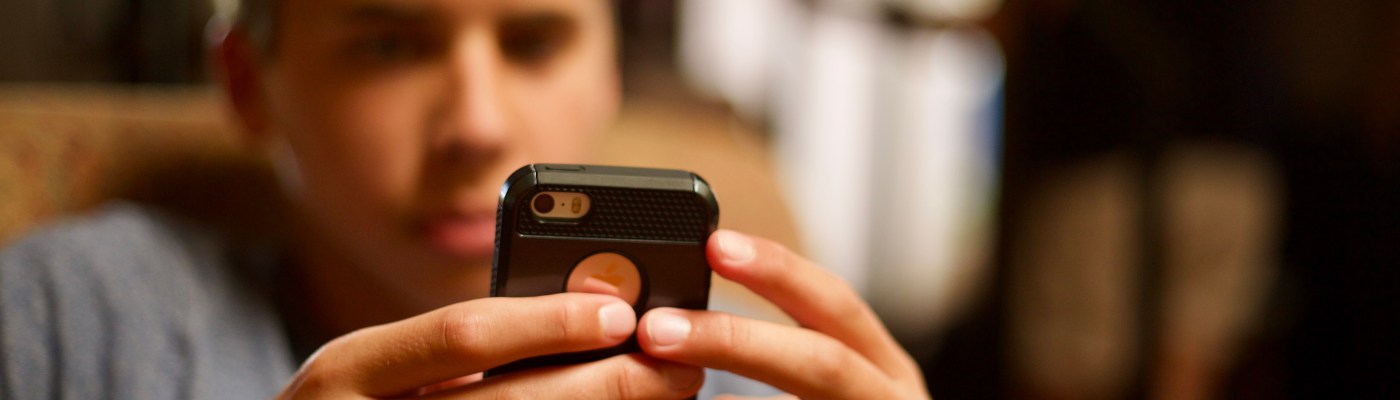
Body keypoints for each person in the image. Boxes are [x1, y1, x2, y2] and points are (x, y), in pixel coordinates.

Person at [0, 0, 928, 398]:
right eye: (388, 46)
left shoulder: (747, 381)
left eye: (533, 41)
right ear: (248, 83)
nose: (477, 126)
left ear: (610, 73)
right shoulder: (76, 317)